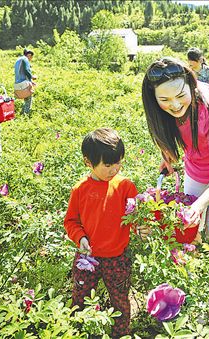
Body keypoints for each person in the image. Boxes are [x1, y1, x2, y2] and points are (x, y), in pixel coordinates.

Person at [142, 57, 209, 242]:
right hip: (196, 161)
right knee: (191, 227)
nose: (175, 105)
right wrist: (166, 154)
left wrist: (198, 207)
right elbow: (166, 130)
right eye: (164, 99)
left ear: (191, 85)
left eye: (180, 96)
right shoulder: (159, 109)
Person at [63, 128, 138, 337]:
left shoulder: (125, 187)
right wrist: (80, 238)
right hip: (88, 256)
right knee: (80, 298)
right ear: (89, 162)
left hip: (117, 257)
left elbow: (134, 217)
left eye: (118, 162)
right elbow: (70, 221)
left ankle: (120, 334)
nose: (115, 169)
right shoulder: (80, 189)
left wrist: (141, 226)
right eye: (108, 164)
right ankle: (77, 332)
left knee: (120, 300)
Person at [14, 48, 37, 114]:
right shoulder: (25, 59)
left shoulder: (18, 59)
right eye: (31, 57)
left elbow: (21, 72)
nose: (31, 59)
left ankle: (22, 112)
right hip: (23, 83)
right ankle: (26, 114)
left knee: (26, 98)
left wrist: (31, 81)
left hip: (17, 83)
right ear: (29, 55)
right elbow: (26, 71)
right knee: (29, 98)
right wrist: (32, 77)